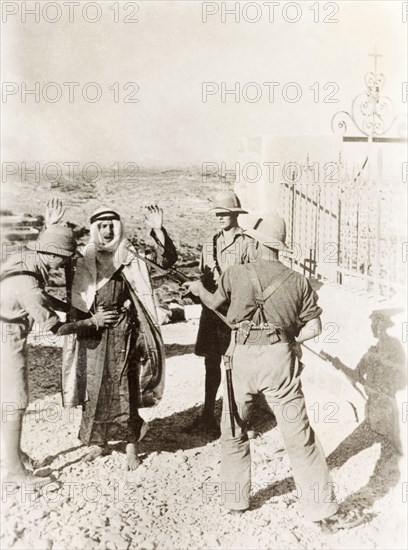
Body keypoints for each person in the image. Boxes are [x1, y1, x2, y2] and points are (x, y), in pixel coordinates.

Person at [185, 212, 361, 530]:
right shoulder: (297, 280)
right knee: (300, 437)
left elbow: (214, 303)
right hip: (280, 359)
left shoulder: (235, 274)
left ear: (254, 241)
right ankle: (324, 513)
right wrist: (290, 341)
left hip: (241, 358)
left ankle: (236, 501)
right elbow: (314, 326)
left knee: (234, 429)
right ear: (280, 247)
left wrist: (198, 290)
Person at [0, 222, 118, 488]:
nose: (64, 265)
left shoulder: (25, 259)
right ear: (52, 255)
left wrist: (73, 308)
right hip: (6, 337)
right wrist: (94, 321)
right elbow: (57, 328)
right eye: (64, 259)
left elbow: (44, 296)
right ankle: (16, 473)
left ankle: (14, 456)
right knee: (15, 401)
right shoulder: (28, 284)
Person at [62, 205, 177, 470]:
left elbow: (167, 263)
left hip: (124, 331)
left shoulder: (131, 256)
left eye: (111, 224)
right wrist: (52, 228)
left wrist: (158, 229)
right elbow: (58, 260)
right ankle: (98, 443)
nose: (107, 230)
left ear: (119, 226)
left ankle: (131, 447)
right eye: (101, 225)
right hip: (93, 333)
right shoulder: (84, 258)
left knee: (124, 386)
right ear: (94, 229)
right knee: (95, 387)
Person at [186, 190, 256, 437]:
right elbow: (203, 275)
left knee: (235, 364)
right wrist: (195, 289)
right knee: (211, 363)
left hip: (234, 310)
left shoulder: (248, 244)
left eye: (225, 213)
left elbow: (252, 280)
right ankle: (207, 414)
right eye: (217, 213)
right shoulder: (209, 243)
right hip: (211, 310)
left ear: (235, 214)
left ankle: (238, 418)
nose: (220, 217)